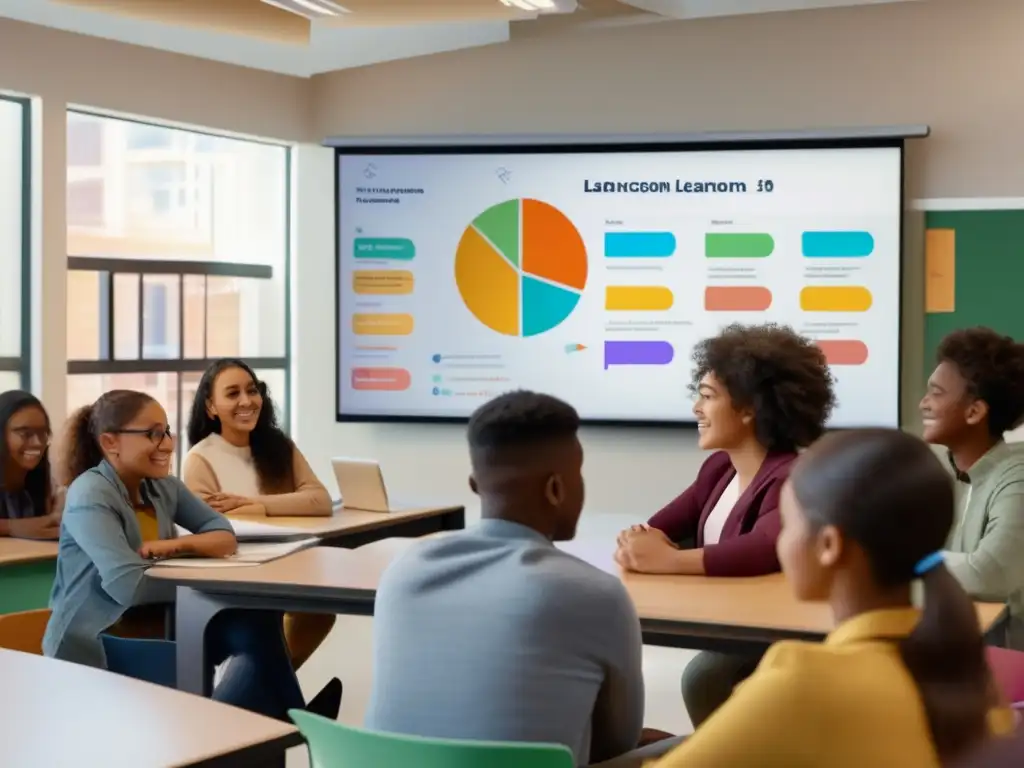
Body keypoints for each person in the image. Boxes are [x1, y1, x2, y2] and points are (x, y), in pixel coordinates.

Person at [646, 429, 1013, 768]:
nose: (780, 540)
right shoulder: (972, 680)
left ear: (828, 546)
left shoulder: (803, 680)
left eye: (787, 524)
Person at [366, 391, 645, 767]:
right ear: (556, 489)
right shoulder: (595, 594)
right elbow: (616, 744)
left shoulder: (404, 569)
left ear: (474, 485)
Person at [42, 389, 338, 722]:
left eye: (167, 431)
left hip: (163, 619)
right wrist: (207, 587)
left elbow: (223, 534)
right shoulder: (90, 493)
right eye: (153, 434)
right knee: (249, 669)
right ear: (110, 443)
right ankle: (283, 722)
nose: (167, 444)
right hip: (102, 636)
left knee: (258, 619)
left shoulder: (162, 486)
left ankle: (274, 723)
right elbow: (127, 586)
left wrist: (179, 546)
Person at [616, 323, 835, 727]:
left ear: (749, 407)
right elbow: (657, 530)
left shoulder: (792, 475)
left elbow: (765, 545)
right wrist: (641, 545)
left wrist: (668, 562)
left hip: (775, 628)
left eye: (707, 397)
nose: (696, 409)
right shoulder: (718, 468)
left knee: (704, 677)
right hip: (729, 621)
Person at [182, 358, 336, 671]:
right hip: (236, 579)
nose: (246, 401)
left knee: (319, 613)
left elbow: (320, 500)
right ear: (211, 407)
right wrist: (279, 504)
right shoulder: (200, 459)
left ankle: (268, 688)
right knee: (265, 627)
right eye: (233, 393)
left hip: (287, 566)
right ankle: (270, 692)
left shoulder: (279, 446)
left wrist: (253, 504)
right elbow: (210, 532)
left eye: (252, 391)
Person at [919, 327, 1024, 648]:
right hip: (966, 639)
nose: (923, 403)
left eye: (936, 393)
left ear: (975, 412)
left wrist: (907, 559)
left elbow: (987, 575)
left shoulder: (1017, 475)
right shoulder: (941, 469)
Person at [0, 390, 61, 539]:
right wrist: (11, 527)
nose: (37, 443)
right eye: (25, 434)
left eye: (43, 433)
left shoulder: (42, 482)